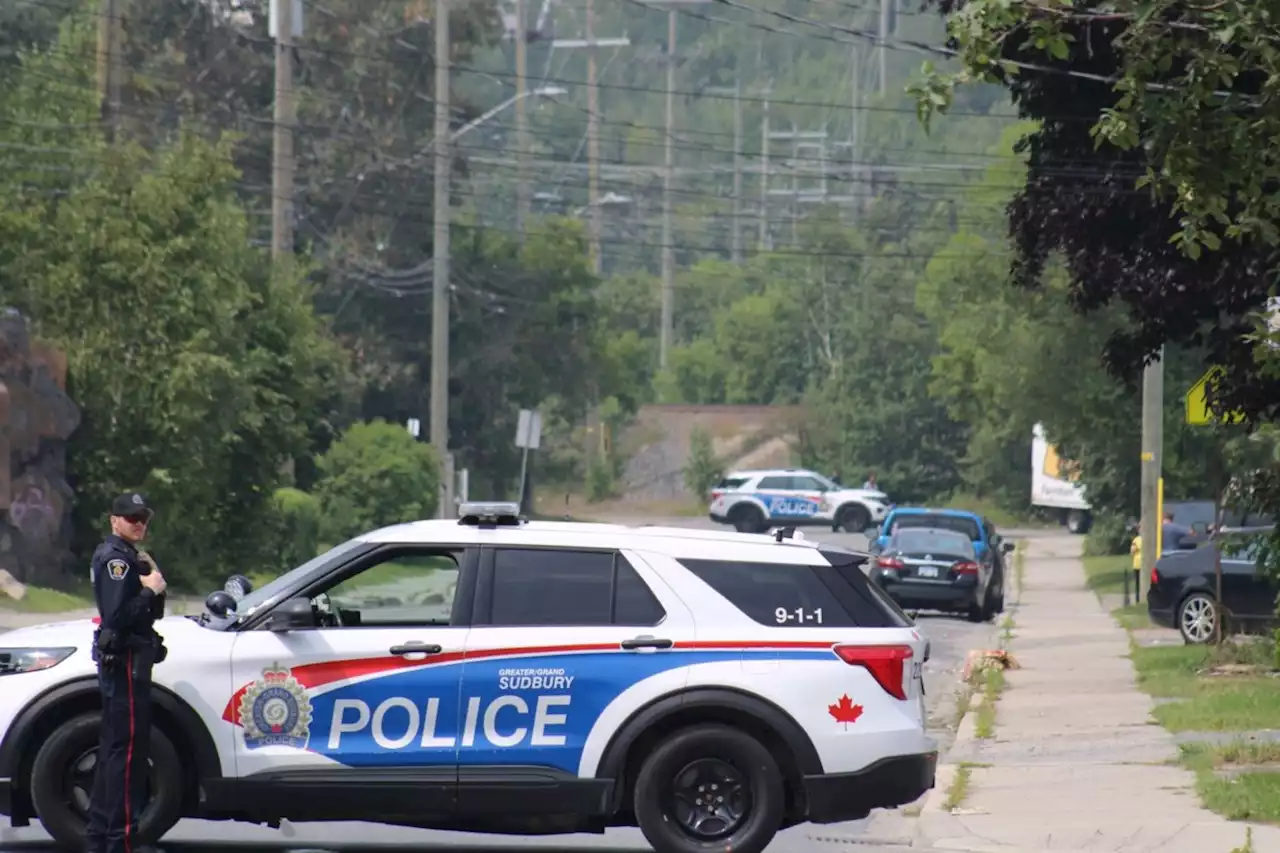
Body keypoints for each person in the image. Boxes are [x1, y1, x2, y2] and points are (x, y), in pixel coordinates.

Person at [87, 493, 168, 853]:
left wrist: (152, 585)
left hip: (128, 663)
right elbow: (118, 618)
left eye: (143, 518)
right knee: (127, 754)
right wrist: (150, 592)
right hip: (127, 664)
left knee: (115, 751)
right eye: (131, 517)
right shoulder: (116, 560)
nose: (139, 523)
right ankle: (121, 841)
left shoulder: (130, 557)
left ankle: (100, 838)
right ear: (114, 520)